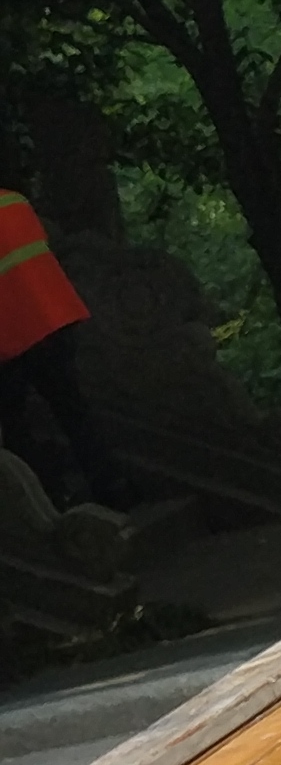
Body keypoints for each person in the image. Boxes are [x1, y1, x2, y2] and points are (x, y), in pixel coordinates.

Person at [0, 167, 130, 512]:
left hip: (12, 337)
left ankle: (46, 500)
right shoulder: (14, 202)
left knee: (14, 426)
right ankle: (113, 488)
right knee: (73, 410)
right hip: (55, 319)